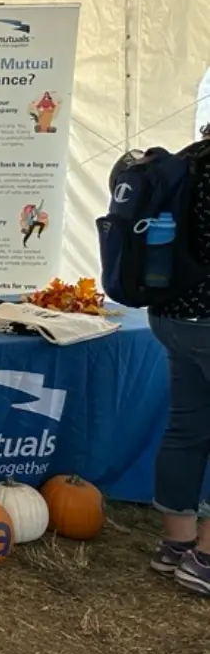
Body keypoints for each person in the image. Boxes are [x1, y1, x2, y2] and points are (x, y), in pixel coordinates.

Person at [148, 134, 210, 593]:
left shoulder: (189, 162)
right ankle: (205, 558)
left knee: (186, 429)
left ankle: (176, 545)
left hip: (171, 315)